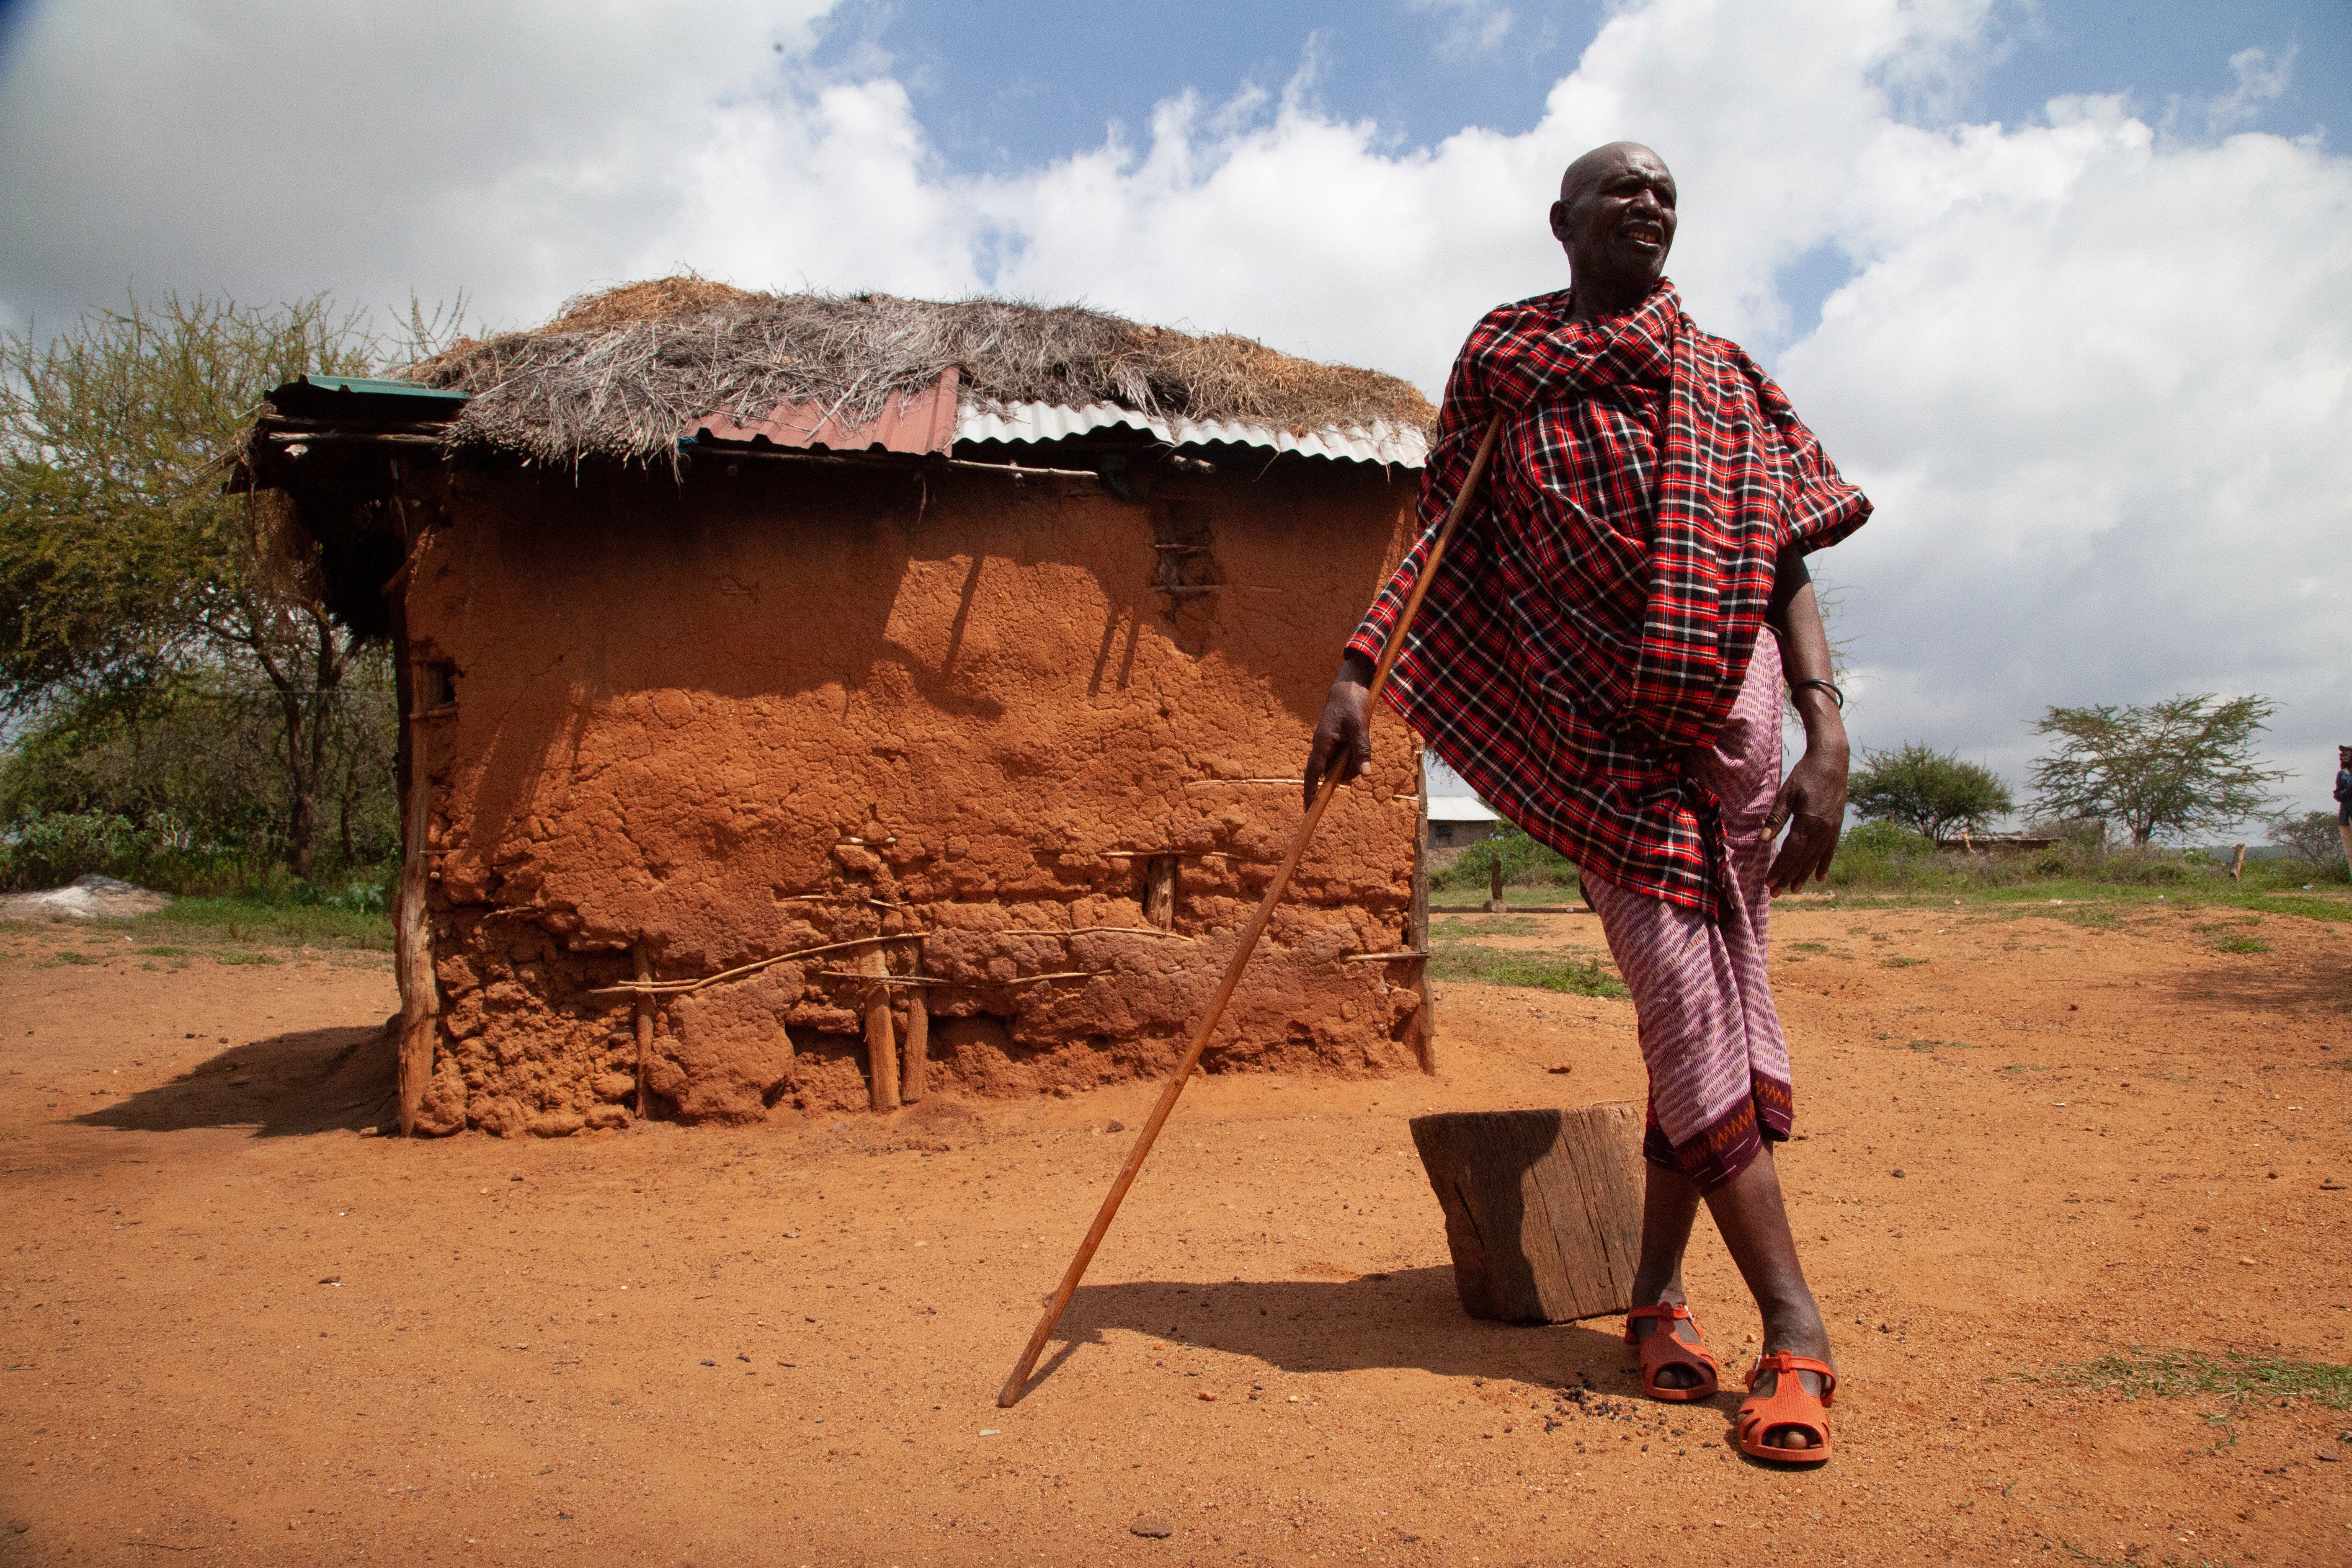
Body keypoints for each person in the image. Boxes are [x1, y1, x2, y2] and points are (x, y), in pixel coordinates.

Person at [1303, 142, 1870, 1462]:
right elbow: (1440, 533)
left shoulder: (1727, 380)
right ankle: (1798, 1325)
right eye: (1622, 187)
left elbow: (1782, 561)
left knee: (1712, 1011)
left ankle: (1659, 1296)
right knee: (1683, 999)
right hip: (1599, 740)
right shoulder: (1508, 368)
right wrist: (1357, 668)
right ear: (1561, 222)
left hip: (1734, 729)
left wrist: (1827, 728)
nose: (1651, 203)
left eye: (1668, 190)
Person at [2336, 746, 2352, 867]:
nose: (2342, 756)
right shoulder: (2342, 774)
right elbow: (2337, 794)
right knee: (2350, 854)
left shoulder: (2346, 774)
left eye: (2346, 753)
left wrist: (2344, 793)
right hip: (2345, 817)